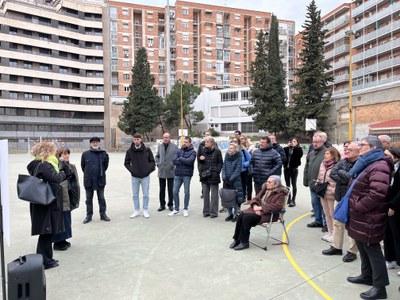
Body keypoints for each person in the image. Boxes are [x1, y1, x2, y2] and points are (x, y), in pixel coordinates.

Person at [346, 135, 393, 300]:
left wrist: (358, 206)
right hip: (361, 216)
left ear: (373, 148)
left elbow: (377, 193)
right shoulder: (368, 162)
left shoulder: (379, 165)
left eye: (362, 144)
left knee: (372, 249)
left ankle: (380, 288)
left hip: (369, 216)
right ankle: (366, 275)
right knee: (362, 246)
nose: (359, 147)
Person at [27, 142, 70, 269]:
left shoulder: (38, 164)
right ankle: (46, 261)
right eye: (52, 150)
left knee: (46, 232)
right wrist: (63, 171)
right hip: (47, 203)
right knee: (47, 232)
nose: (54, 152)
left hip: (43, 201)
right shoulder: (44, 165)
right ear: (47, 151)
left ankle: (46, 258)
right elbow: (56, 178)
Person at [229, 175, 289, 251]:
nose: (267, 183)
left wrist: (261, 208)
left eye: (269, 182)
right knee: (241, 215)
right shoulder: (265, 189)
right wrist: (255, 206)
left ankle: (244, 242)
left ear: (276, 184)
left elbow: (278, 206)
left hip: (269, 214)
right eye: (267, 181)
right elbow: (256, 198)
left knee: (247, 218)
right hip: (257, 210)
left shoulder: (281, 193)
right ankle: (237, 239)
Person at [323, 141, 359, 263]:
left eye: (350, 150)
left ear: (358, 151)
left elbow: (353, 179)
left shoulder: (361, 163)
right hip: (339, 196)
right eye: (346, 149)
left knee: (352, 226)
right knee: (337, 223)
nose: (347, 151)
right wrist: (346, 179)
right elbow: (333, 173)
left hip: (352, 199)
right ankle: (336, 247)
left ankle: (352, 251)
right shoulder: (343, 161)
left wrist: (346, 178)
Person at [52, 147, 80, 251]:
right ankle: (58, 242)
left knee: (67, 219)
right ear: (59, 156)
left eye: (68, 153)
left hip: (68, 195)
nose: (67, 156)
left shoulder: (70, 166)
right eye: (64, 154)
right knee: (61, 219)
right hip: (60, 197)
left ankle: (63, 239)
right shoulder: (57, 167)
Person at [124, 134, 156, 219]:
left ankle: (145, 210)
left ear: (141, 140)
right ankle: (136, 210)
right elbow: (126, 163)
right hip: (134, 177)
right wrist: (132, 170)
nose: (136, 141)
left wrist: (148, 170)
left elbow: (152, 162)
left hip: (145, 176)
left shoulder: (147, 150)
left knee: (145, 194)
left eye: (137, 139)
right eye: (134, 139)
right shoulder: (130, 151)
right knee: (135, 194)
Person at [81, 137, 110, 224]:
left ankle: (103, 214)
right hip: (89, 180)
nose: (95, 144)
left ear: (99, 143)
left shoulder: (104, 154)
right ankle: (89, 216)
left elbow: (105, 167)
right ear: (90, 144)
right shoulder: (85, 154)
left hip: (100, 179)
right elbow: (83, 166)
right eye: (93, 142)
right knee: (88, 199)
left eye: (97, 142)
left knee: (101, 198)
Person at [317, 147, 340, 243]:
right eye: (325, 154)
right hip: (323, 192)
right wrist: (317, 184)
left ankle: (335, 234)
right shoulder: (322, 164)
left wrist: (335, 189)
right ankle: (330, 232)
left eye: (327, 154)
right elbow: (320, 175)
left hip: (331, 193)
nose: (325, 155)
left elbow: (339, 179)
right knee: (327, 214)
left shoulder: (338, 165)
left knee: (332, 214)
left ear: (333, 155)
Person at [169, 137, 196, 217]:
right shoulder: (178, 150)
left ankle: (185, 209)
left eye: (187, 142)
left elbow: (190, 162)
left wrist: (180, 158)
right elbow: (174, 161)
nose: (185, 143)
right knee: (174, 191)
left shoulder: (193, 152)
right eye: (184, 142)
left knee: (186, 192)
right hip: (177, 174)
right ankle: (176, 209)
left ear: (190, 143)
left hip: (187, 175)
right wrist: (184, 160)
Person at [304, 133, 327, 229]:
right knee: (315, 203)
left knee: (324, 205)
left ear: (322, 142)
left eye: (317, 142)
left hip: (322, 185)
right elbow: (306, 168)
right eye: (313, 142)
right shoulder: (311, 153)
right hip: (312, 184)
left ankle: (326, 223)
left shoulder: (327, 153)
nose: (315, 144)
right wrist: (306, 181)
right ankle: (318, 221)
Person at [383, 147, 400, 274]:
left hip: (396, 207)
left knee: (397, 236)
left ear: (395, 156)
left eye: (387, 155)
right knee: (388, 234)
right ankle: (390, 259)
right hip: (389, 204)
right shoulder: (390, 167)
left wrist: (393, 206)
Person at [198, 136, 223, 218]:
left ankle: (213, 212)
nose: (205, 143)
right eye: (205, 142)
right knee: (205, 194)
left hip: (214, 175)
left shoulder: (217, 151)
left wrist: (217, 171)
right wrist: (201, 160)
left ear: (212, 143)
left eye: (207, 142)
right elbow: (200, 162)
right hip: (204, 175)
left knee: (214, 195)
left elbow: (220, 163)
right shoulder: (203, 150)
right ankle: (206, 211)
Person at [155, 133, 178, 212]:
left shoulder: (174, 147)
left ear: (169, 138)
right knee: (162, 189)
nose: (165, 139)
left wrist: (174, 165)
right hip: (161, 170)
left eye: (167, 137)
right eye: (164, 137)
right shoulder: (160, 146)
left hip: (171, 170)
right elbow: (157, 156)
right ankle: (162, 205)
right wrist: (158, 164)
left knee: (170, 189)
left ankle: (171, 204)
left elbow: (177, 157)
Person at [222, 143, 244, 221]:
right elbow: (223, 167)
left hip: (235, 181)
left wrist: (231, 179)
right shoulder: (227, 156)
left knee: (235, 198)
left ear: (235, 149)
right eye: (229, 148)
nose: (230, 150)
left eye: (231, 148)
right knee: (228, 197)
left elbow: (238, 169)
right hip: (227, 181)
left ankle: (236, 214)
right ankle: (229, 214)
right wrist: (224, 178)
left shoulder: (239, 156)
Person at [283, 138, 303, 207]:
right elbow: (283, 154)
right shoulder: (287, 149)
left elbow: (299, 155)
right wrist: (287, 147)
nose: (293, 142)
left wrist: (294, 147)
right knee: (287, 185)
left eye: (294, 141)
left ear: (297, 142)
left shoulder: (299, 149)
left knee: (293, 184)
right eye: (291, 141)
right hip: (286, 169)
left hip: (294, 169)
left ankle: (293, 200)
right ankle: (289, 198)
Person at [240, 135, 254, 201]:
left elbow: (252, 159)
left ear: (245, 139)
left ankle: (249, 198)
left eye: (242, 138)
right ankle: (243, 197)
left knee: (248, 184)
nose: (241, 139)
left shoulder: (250, 147)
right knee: (242, 183)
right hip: (242, 169)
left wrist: (244, 164)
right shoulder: (239, 147)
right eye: (240, 139)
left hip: (248, 168)